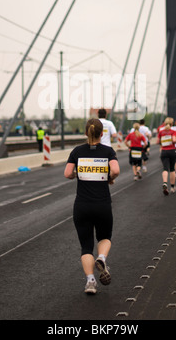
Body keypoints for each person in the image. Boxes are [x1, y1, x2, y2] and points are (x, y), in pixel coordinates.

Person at [64, 118, 120, 295]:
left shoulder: (77, 151)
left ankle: (90, 282)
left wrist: (76, 175)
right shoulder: (108, 151)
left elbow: (67, 174)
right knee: (104, 237)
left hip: (82, 205)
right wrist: (109, 177)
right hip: (102, 204)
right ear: (102, 134)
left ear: (86, 133)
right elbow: (116, 170)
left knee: (86, 246)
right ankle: (102, 258)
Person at [157, 117, 176, 195]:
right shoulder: (173, 131)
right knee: (172, 169)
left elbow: (157, 141)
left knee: (165, 168)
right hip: (172, 151)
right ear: (172, 124)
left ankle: (165, 183)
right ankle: (172, 187)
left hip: (164, 151)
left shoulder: (161, 132)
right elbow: (174, 140)